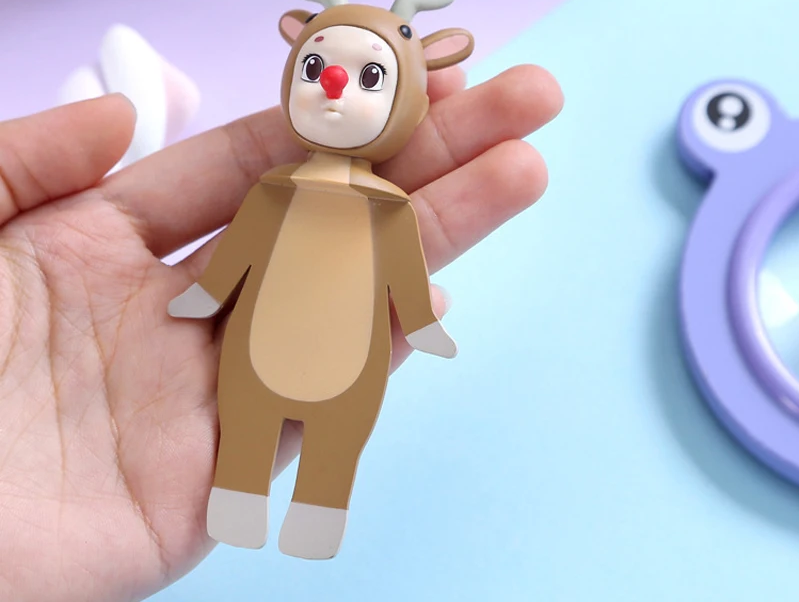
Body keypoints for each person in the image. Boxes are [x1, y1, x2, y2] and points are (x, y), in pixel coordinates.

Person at [0, 61, 561, 602]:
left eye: (370, 77)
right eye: (315, 68)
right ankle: (237, 498)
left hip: (350, 350)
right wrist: (207, 295)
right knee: (246, 427)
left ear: (406, 107)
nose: (334, 83)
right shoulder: (273, 190)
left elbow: (403, 269)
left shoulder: (389, 208)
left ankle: (320, 512)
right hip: (258, 342)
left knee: (336, 442)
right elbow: (242, 249)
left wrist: (418, 321)